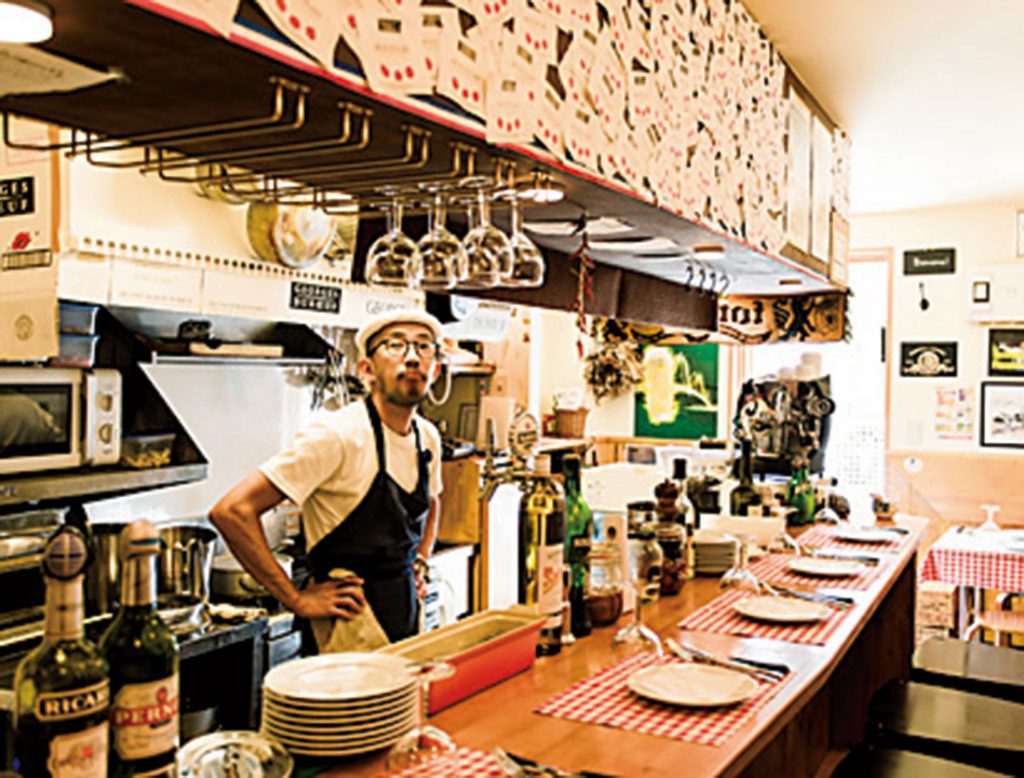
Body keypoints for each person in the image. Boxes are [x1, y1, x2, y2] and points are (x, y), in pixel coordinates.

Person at [210, 309, 445, 644]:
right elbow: (232, 512)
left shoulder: (427, 437)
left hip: (407, 618)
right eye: (395, 345)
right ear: (366, 370)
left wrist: (420, 560)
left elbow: (433, 499)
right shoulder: (337, 436)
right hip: (348, 629)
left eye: (424, 347)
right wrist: (295, 598)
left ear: (435, 368)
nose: (412, 357)